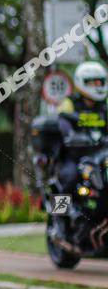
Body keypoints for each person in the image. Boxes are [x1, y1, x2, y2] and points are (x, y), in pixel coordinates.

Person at [56, 61, 108, 194]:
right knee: (69, 178)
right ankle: (59, 212)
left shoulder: (104, 105)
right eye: (92, 82)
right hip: (75, 157)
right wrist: (73, 137)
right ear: (81, 82)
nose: (97, 86)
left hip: (102, 156)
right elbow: (63, 128)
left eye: (100, 82)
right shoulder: (69, 103)